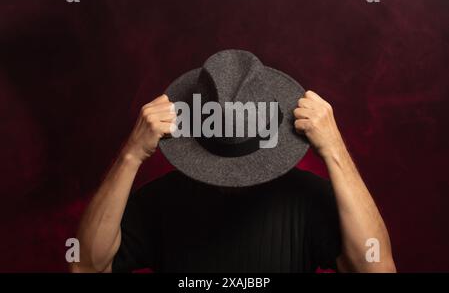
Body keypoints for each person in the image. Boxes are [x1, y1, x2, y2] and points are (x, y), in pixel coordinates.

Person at [71, 50, 396, 273]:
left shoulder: (306, 199)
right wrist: (131, 154)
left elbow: (376, 268)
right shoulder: (161, 202)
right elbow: (86, 265)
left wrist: (334, 149)